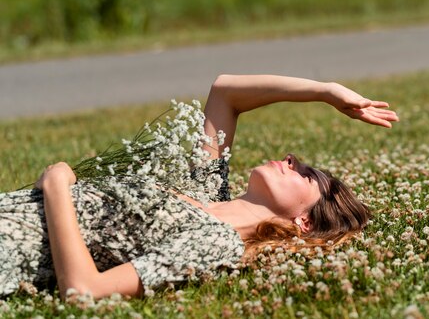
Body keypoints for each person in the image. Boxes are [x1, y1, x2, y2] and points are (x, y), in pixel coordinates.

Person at [0, 74, 398, 300]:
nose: (291, 158)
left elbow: (86, 289)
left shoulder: (219, 245)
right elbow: (226, 91)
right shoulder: (206, 188)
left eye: (305, 174)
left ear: (304, 223)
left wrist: (56, 187)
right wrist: (326, 91)